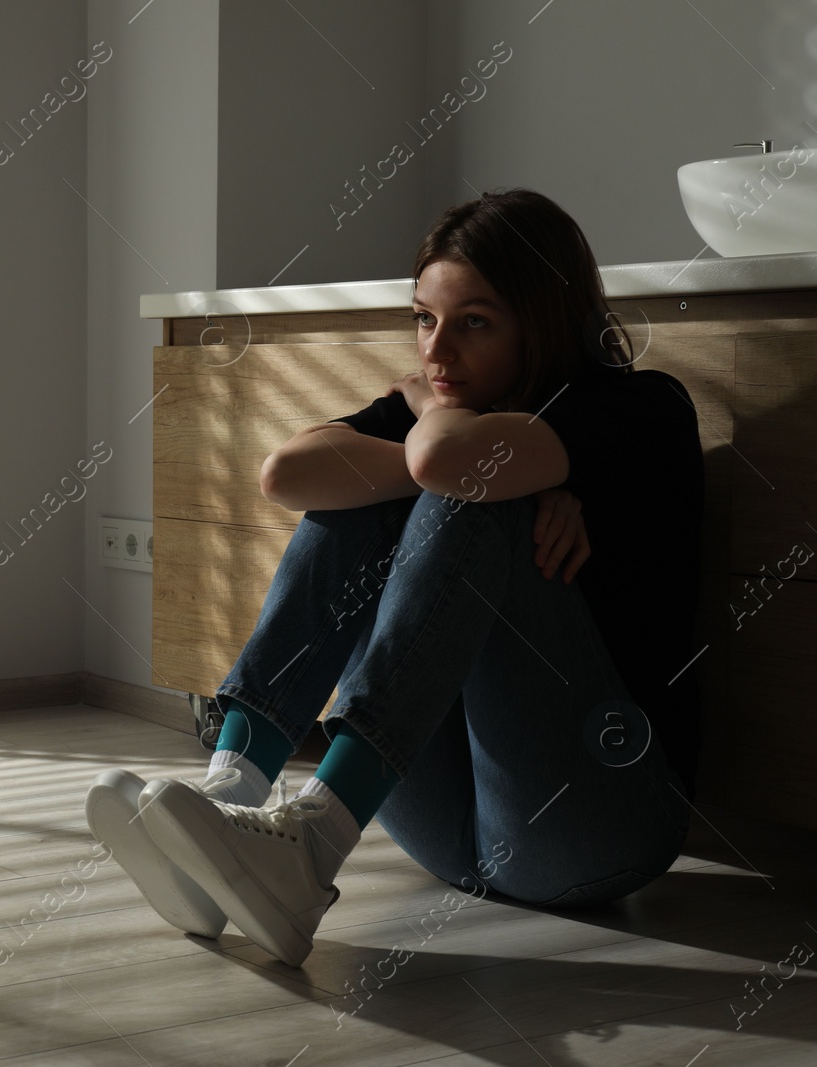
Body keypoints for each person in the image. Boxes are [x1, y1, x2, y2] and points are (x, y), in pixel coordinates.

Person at [85, 188, 704, 967]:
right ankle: (228, 799)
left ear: (543, 321)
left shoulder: (637, 408)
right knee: (359, 500)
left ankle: (310, 846)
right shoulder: (457, 402)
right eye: (424, 319)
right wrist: (444, 451)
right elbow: (287, 474)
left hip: (596, 828)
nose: (436, 354)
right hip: (448, 827)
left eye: (474, 323)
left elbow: (445, 463)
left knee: (465, 503)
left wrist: (422, 415)